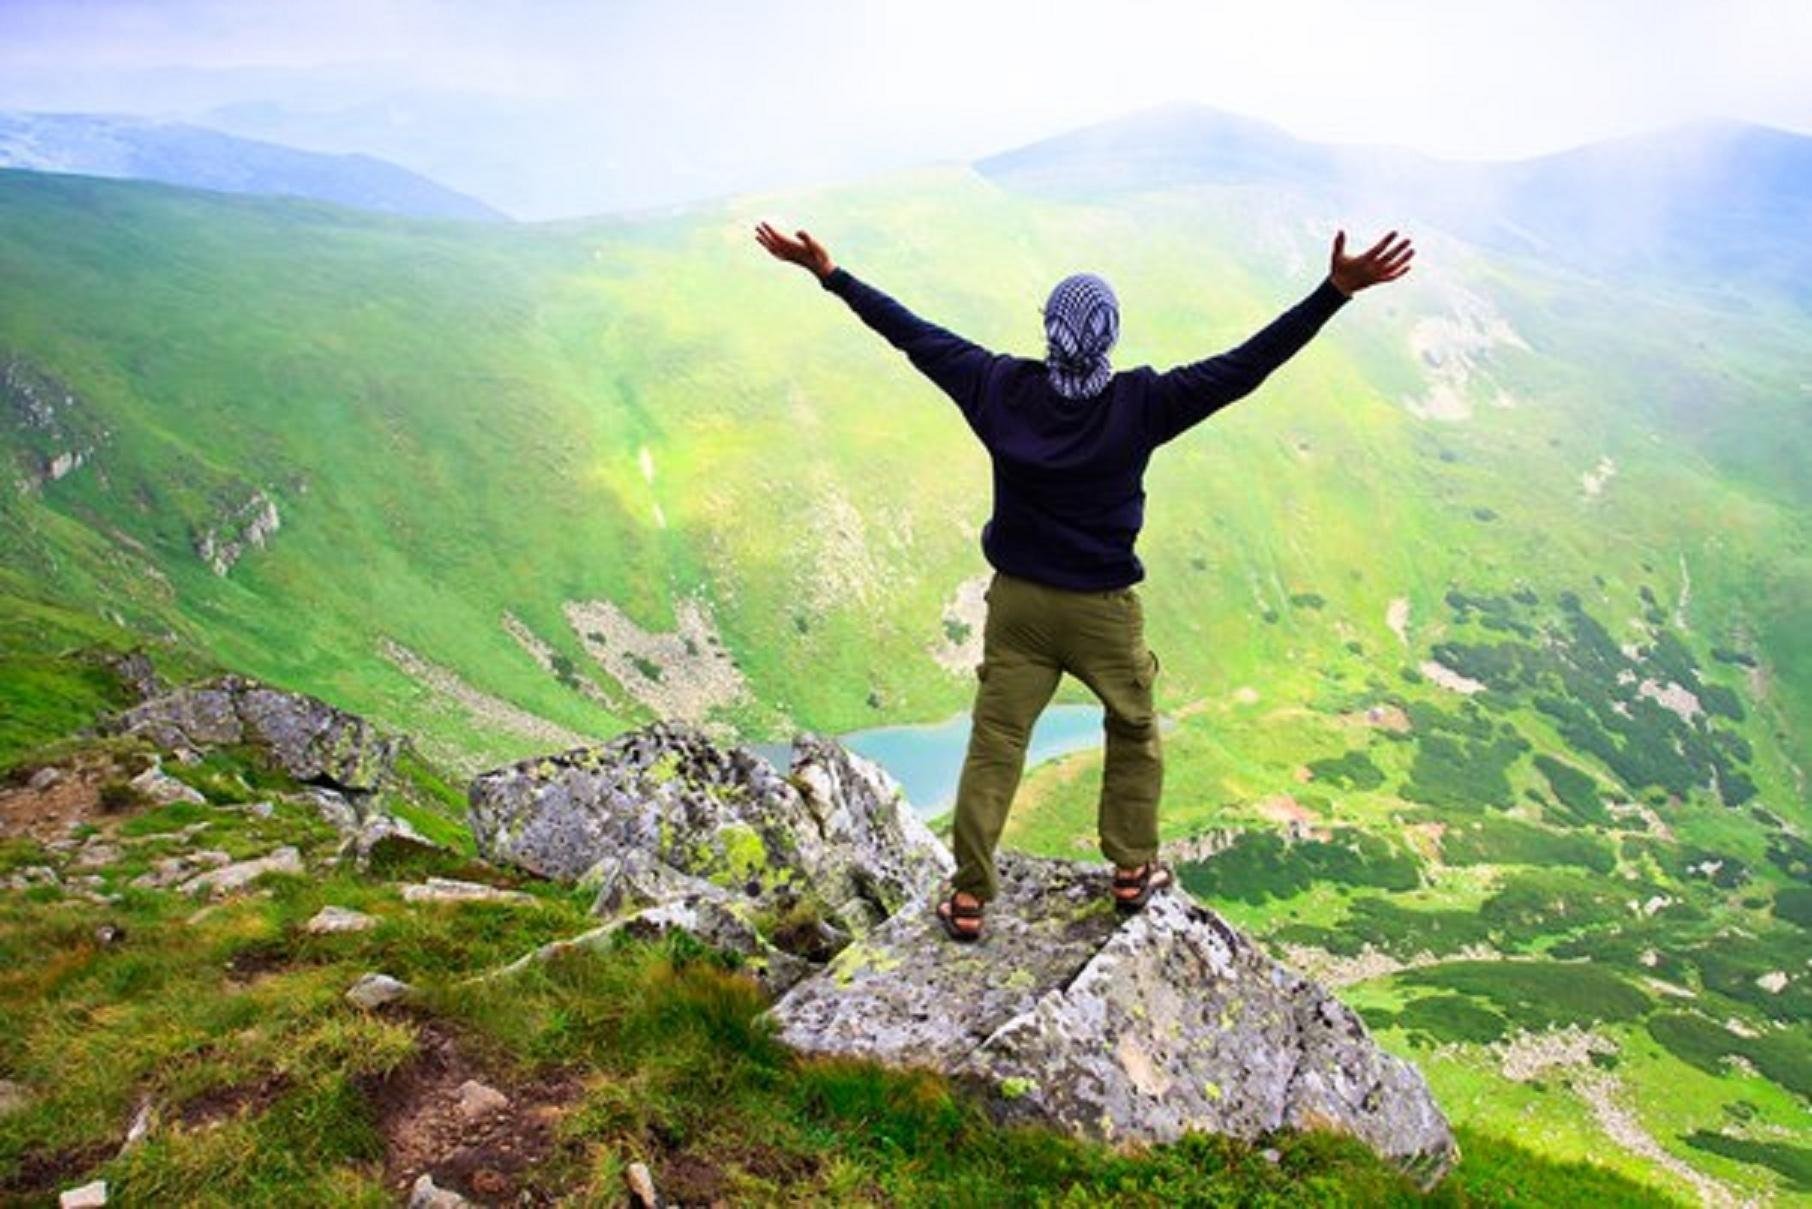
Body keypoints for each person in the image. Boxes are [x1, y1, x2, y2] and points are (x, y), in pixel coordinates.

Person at [755, 220, 1413, 941]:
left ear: (1048, 331)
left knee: (997, 738)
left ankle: (970, 893)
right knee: (1132, 726)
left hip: (1017, 605)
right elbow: (1246, 365)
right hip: (1101, 610)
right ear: (1111, 336)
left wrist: (832, 274)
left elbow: (912, 333)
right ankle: (1132, 867)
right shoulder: (1142, 403)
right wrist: (1334, 293)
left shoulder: (996, 386)